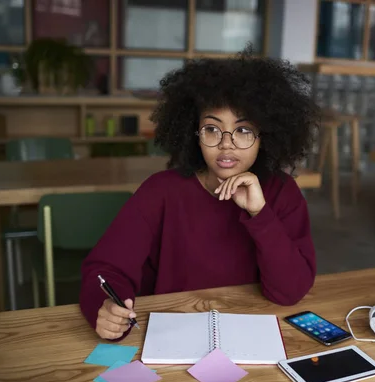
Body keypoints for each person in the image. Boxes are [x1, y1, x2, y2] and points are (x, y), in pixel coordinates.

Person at [79, 47, 320, 340]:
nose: (226, 145)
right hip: (171, 336)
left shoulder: (281, 192)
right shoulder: (161, 191)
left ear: (264, 137)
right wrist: (104, 309)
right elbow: (105, 269)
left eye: (243, 131)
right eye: (212, 129)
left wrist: (260, 215)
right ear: (194, 133)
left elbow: (289, 292)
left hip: (251, 335)